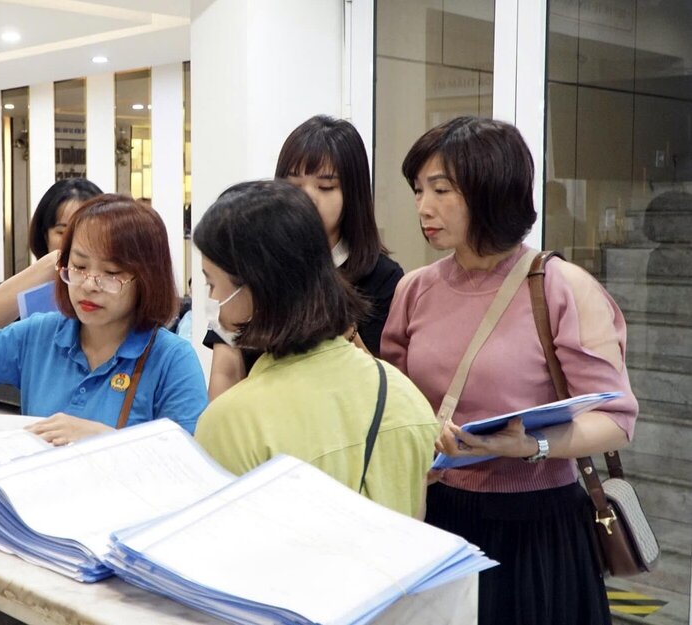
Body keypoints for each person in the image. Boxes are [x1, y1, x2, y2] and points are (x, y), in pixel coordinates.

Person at [381, 116, 638, 625]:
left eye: (441, 189)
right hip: (437, 513)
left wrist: (531, 446)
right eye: (417, 191)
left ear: (491, 191)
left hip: (537, 525)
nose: (423, 207)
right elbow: (396, 397)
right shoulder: (415, 289)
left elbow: (616, 420)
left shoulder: (561, 286)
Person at [191, 181, 438, 517]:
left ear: (256, 285)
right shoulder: (404, 397)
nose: (213, 299)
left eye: (212, 283)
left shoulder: (232, 421)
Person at [0, 194, 208, 445]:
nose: (89, 284)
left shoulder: (172, 358)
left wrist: (103, 438)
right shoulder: (40, 333)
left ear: (147, 279)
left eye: (111, 273)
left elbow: (188, 461)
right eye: (79, 266)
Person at [204, 115, 403, 399]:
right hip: (257, 427)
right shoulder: (253, 266)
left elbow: (378, 384)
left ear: (353, 194)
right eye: (293, 186)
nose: (307, 199)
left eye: (325, 187)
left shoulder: (382, 277)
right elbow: (226, 370)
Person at [0, 178, 103, 332]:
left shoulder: (111, 283)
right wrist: (55, 260)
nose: (74, 241)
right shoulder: (41, 280)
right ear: (45, 235)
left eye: (85, 232)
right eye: (62, 232)